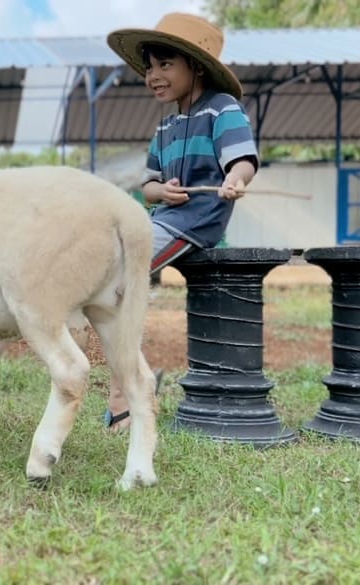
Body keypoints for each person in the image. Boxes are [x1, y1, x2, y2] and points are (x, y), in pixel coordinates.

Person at [103, 13, 259, 429]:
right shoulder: (166, 126)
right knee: (104, 274)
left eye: (165, 64)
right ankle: (132, 386)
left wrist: (234, 179)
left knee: (112, 279)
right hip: (163, 216)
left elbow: (242, 160)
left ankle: (126, 395)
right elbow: (149, 186)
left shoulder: (223, 109)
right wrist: (162, 192)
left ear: (196, 66)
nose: (153, 75)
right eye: (149, 66)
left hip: (195, 221)